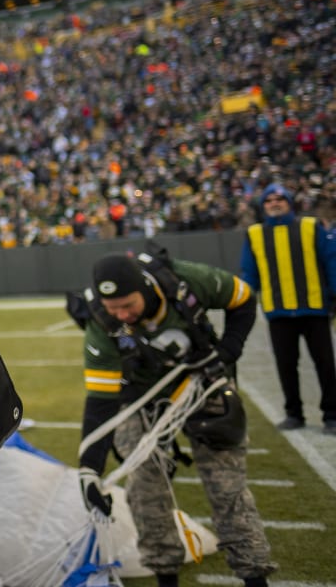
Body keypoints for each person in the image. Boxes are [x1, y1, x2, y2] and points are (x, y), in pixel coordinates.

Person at [78, 252, 275, 587]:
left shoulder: (186, 280)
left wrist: (228, 350)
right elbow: (101, 402)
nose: (122, 316)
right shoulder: (101, 322)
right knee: (145, 488)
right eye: (113, 309)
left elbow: (243, 298)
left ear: (144, 287)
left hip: (202, 384)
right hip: (141, 398)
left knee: (228, 488)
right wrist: (89, 469)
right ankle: (166, 578)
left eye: (128, 305)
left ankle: (254, 576)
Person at [239, 183, 336, 435]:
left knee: (325, 364)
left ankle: (332, 414)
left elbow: (330, 261)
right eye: (268, 200)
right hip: (278, 311)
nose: (274, 203)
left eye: (279, 199)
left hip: (313, 308)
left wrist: (334, 295)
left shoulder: (310, 226)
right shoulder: (255, 234)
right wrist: (243, 300)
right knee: (286, 365)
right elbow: (249, 273)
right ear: (263, 206)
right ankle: (294, 414)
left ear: (289, 203)